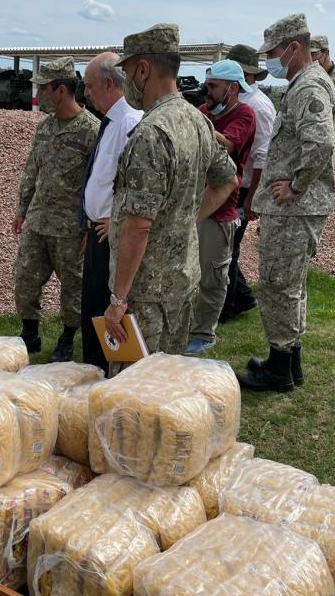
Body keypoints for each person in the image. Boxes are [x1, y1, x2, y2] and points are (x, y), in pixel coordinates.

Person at [103, 23, 238, 354]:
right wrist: (185, 220)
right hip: (182, 280)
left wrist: (118, 300)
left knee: (132, 393)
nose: (126, 83)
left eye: (129, 71)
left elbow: (138, 224)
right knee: (168, 387)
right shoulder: (197, 121)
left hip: (145, 292)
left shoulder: (151, 133)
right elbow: (228, 180)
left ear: (144, 69)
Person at [237, 13, 335, 392]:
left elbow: (322, 143)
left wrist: (296, 185)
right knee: (291, 284)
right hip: (298, 205)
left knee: (279, 284)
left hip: (296, 206)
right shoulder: (307, 82)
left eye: (274, 52)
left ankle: (279, 367)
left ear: (293, 47)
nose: (270, 60)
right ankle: (288, 361)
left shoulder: (308, 87)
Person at [13, 56, 100, 362]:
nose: (38, 95)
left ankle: (67, 338)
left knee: (73, 286)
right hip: (38, 221)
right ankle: (30, 332)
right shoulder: (45, 127)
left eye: (43, 89)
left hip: (70, 228)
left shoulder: (92, 131)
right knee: (24, 276)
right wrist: (22, 209)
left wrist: (89, 225)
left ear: (61, 90)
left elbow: (100, 184)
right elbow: (31, 170)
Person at [185, 60, 257, 355]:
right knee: (191, 274)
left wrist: (197, 121)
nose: (207, 92)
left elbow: (228, 145)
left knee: (213, 275)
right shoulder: (204, 113)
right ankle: (188, 325)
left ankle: (204, 334)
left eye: (213, 87)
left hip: (221, 209)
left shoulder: (245, 114)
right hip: (195, 204)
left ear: (233, 88)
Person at [78, 51, 143, 374]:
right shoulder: (110, 123)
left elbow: (138, 185)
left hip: (112, 238)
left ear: (107, 83)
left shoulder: (130, 124)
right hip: (97, 232)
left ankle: (108, 376)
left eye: (89, 86)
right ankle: (94, 372)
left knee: (106, 314)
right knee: (90, 309)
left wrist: (115, 221)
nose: (86, 93)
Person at [220, 43, 277, 322]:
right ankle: (242, 297)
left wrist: (252, 198)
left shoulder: (259, 107)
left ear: (247, 76)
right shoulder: (240, 104)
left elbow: (263, 158)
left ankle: (226, 308)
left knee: (229, 248)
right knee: (227, 244)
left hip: (245, 188)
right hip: (236, 185)